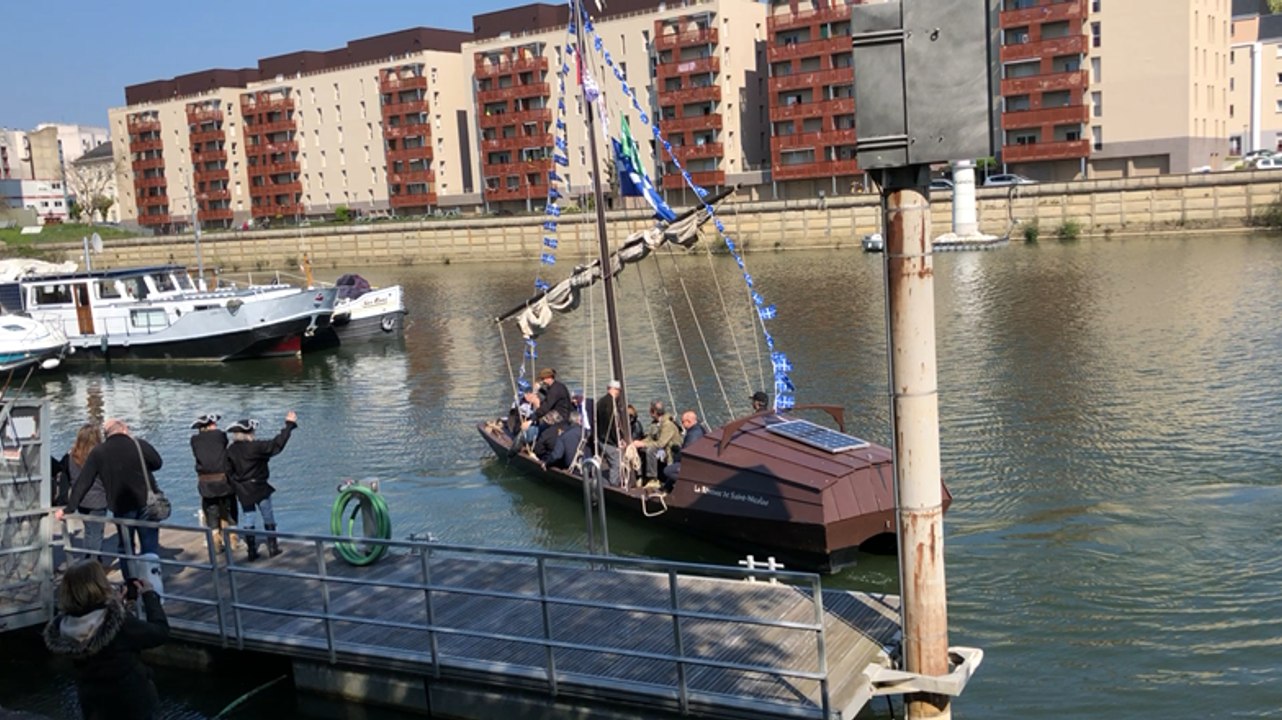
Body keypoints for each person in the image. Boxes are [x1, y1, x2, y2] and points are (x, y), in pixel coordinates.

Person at [43, 559, 169, 720]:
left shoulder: (63, 626)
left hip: (94, 702)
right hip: (132, 701)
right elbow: (159, 633)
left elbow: (93, 621)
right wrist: (150, 596)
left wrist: (118, 606)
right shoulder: (120, 623)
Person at [61, 418, 164, 576]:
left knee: (125, 546)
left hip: (121, 504)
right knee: (149, 546)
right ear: (124, 429)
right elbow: (157, 463)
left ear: (107, 434)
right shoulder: (138, 444)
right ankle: (153, 585)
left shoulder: (99, 451)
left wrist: (69, 509)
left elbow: (84, 482)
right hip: (146, 501)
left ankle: (131, 586)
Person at [226, 412, 297, 561]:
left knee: (248, 517)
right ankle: (273, 548)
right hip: (259, 486)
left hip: (243, 488)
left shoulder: (230, 450)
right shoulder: (256, 447)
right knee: (268, 516)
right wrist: (288, 426)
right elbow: (278, 444)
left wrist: (236, 485)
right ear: (249, 433)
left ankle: (251, 551)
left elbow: (228, 471)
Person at [190, 413, 237, 554]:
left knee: (210, 509)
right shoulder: (221, 436)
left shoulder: (194, 440)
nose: (216, 426)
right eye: (214, 423)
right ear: (210, 425)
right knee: (230, 507)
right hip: (223, 480)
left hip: (205, 481)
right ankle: (233, 540)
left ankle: (215, 541)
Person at [66, 424, 107, 564]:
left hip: (81, 499)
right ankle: (94, 562)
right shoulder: (100, 455)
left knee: (88, 530)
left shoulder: (72, 455)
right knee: (97, 532)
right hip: (98, 498)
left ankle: (88, 558)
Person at [632, 400, 682, 485]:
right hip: (661, 449)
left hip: (670, 452)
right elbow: (650, 438)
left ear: (653, 412)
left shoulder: (668, 425)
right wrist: (637, 443)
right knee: (639, 449)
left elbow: (661, 443)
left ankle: (653, 479)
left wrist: (643, 444)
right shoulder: (655, 423)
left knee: (650, 450)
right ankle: (640, 476)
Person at [662, 410, 707, 490]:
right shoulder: (699, 428)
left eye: (683, 422)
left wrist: (676, 454)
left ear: (688, 421)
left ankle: (688, 484)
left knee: (668, 471)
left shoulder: (694, 435)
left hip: (692, 465)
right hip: (698, 463)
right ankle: (667, 488)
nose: (682, 425)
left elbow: (687, 453)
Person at [594, 380, 627, 486]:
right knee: (616, 462)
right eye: (619, 391)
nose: (619, 393)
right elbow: (612, 424)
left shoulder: (600, 402)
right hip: (608, 440)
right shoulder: (611, 403)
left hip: (601, 437)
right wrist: (619, 440)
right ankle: (614, 485)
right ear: (615, 390)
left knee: (613, 461)